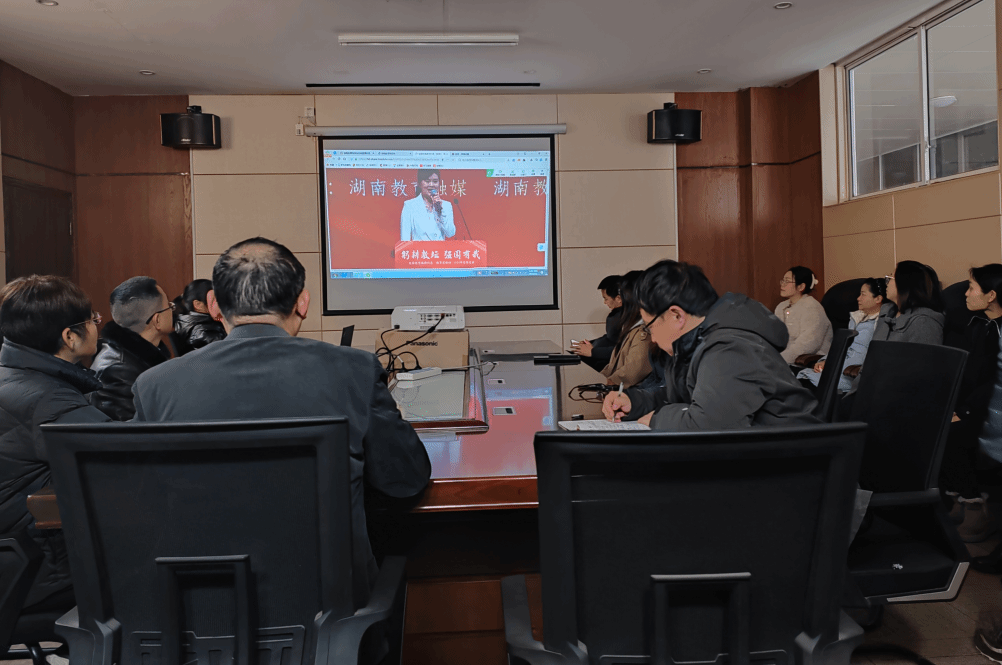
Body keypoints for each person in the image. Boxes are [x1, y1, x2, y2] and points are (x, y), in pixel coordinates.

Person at [131, 237, 432, 621]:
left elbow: (143, 505)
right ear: (302, 303)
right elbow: (405, 480)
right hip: (331, 623)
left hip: (202, 620)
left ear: (214, 306)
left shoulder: (155, 386)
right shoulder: (353, 370)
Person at [0, 275, 110, 610]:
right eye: (92, 319)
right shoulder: (49, 400)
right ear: (69, 337)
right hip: (42, 569)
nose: (97, 325)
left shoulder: (14, 377)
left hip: (15, 558)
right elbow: (121, 462)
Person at [602, 260, 819, 429]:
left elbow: (710, 426)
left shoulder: (731, 347)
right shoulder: (704, 339)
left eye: (650, 328)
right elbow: (684, 395)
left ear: (676, 315)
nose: (653, 339)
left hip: (790, 463)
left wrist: (657, 419)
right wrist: (636, 402)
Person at [939, 264, 1002, 542]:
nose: (965, 293)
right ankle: (960, 501)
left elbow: (991, 383)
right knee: (940, 427)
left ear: (991, 295)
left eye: (972, 288)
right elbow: (971, 376)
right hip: (978, 403)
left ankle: (975, 507)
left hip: (992, 409)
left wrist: (964, 411)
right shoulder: (979, 324)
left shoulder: (997, 331)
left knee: (955, 434)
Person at [88, 276, 173, 421]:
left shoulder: (136, 357)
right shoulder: (117, 371)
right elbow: (128, 431)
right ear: (157, 320)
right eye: (169, 306)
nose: (172, 310)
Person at [797, 277, 886, 392]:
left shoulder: (882, 323)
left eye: (863, 295)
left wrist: (831, 365)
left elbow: (866, 356)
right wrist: (824, 361)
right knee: (799, 380)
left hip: (852, 372)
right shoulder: (856, 318)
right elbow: (843, 348)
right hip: (838, 366)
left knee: (807, 385)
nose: (858, 298)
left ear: (878, 298)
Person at [600, 271, 652, 388]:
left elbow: (633, 371)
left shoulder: (644, 331)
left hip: (631, 393)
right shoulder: (630, 325)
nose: (620, 300)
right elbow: (613, 365)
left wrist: (608, 383)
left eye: (622, 295)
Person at [873, 260, 945, 345]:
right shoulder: (887, 312)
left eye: (891, 277)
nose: (887, 283)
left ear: (904, 283)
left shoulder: (925, 322)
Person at [775, 266, 833, 364]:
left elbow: (807, 345)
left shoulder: (812, 308)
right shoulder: (781, 306)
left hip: (806, 362)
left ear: (801, 287)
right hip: (782, 359)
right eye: (783, 280)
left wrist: (776, 360)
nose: (782, 284)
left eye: (787, 281)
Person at [570, 274, 623, 372]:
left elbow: (623, 350)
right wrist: (590, 344)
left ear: (618, 299)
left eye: (606, 298)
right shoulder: (616, 315)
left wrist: (592, 351)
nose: (605, 302)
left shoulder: (627, 318)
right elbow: (610, 338)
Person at [400, 168, 456, 241]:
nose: (431, 185)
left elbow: (450, 233)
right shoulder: (410, 206)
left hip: (439, 248)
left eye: (435, 181)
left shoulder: (446, 205)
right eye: (427, 181)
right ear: (419, 183)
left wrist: (441, 211)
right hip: (419, 248)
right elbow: (405, 238)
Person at [174, 278, 226, 352]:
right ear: (198, 305)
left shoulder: (207, 321)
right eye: (214, 300)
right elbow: (230, 351)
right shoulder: (202, 332)